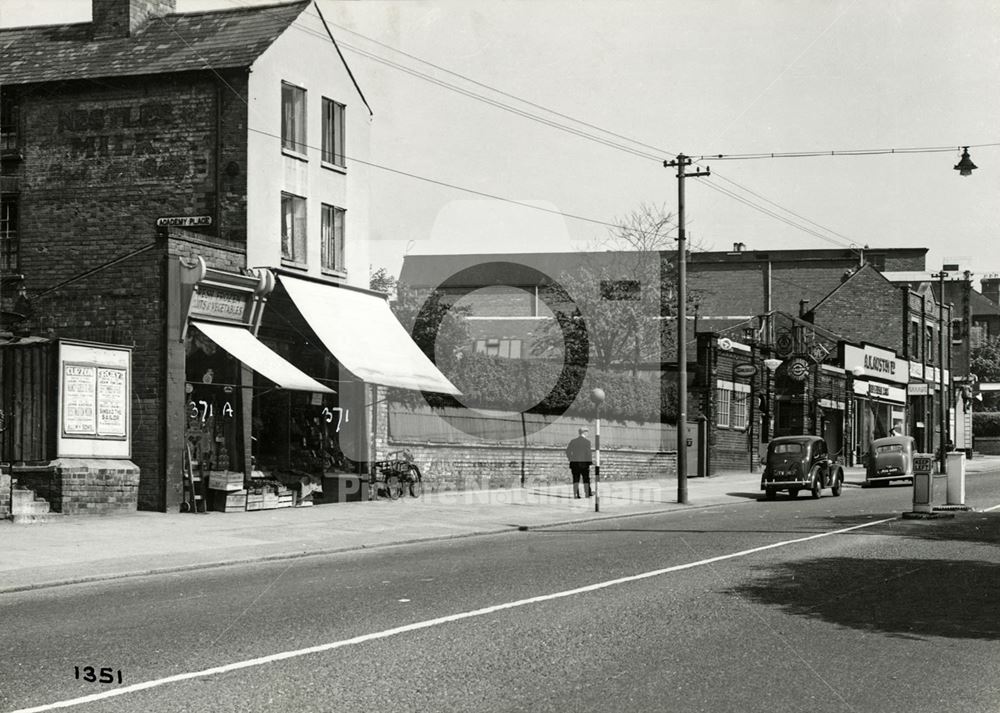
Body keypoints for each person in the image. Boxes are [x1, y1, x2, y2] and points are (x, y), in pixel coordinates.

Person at [566, 427, 593, 498]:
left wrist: (571, 459)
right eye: (587, 432)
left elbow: (568, 451)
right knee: (586, 479)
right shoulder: (587, 442)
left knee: (575, 479)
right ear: (585, 432)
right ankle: (587, 493)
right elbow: (588, 453)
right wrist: (590, 463)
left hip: (574, 464)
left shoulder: (573, 441)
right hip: (584, 464)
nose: (588, 434)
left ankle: (576, 494)